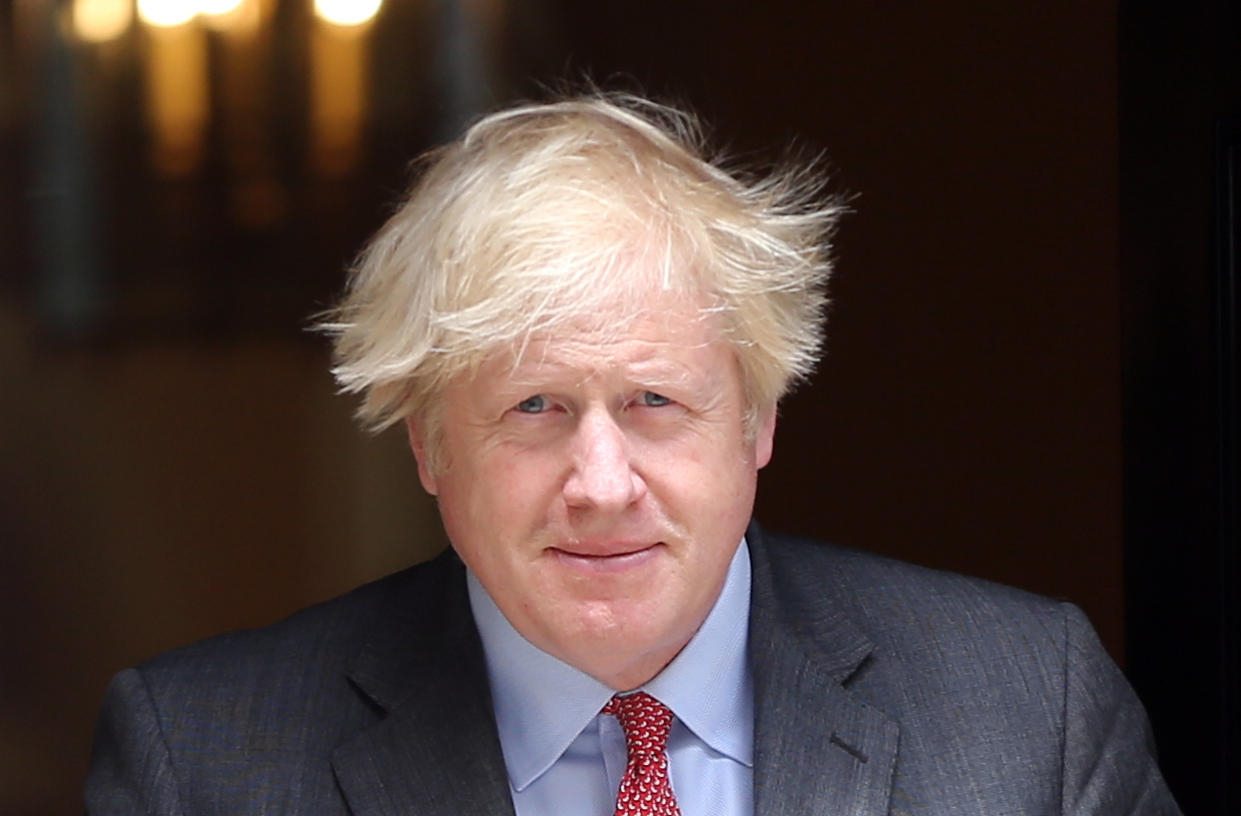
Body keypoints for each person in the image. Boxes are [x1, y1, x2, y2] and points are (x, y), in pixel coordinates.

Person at [85, 93, 1180, 815]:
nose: (600, 486)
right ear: (427, 444)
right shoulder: (202, 762)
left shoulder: (1028, 714)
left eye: (655, 400)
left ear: (756, 421)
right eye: (533, 407)